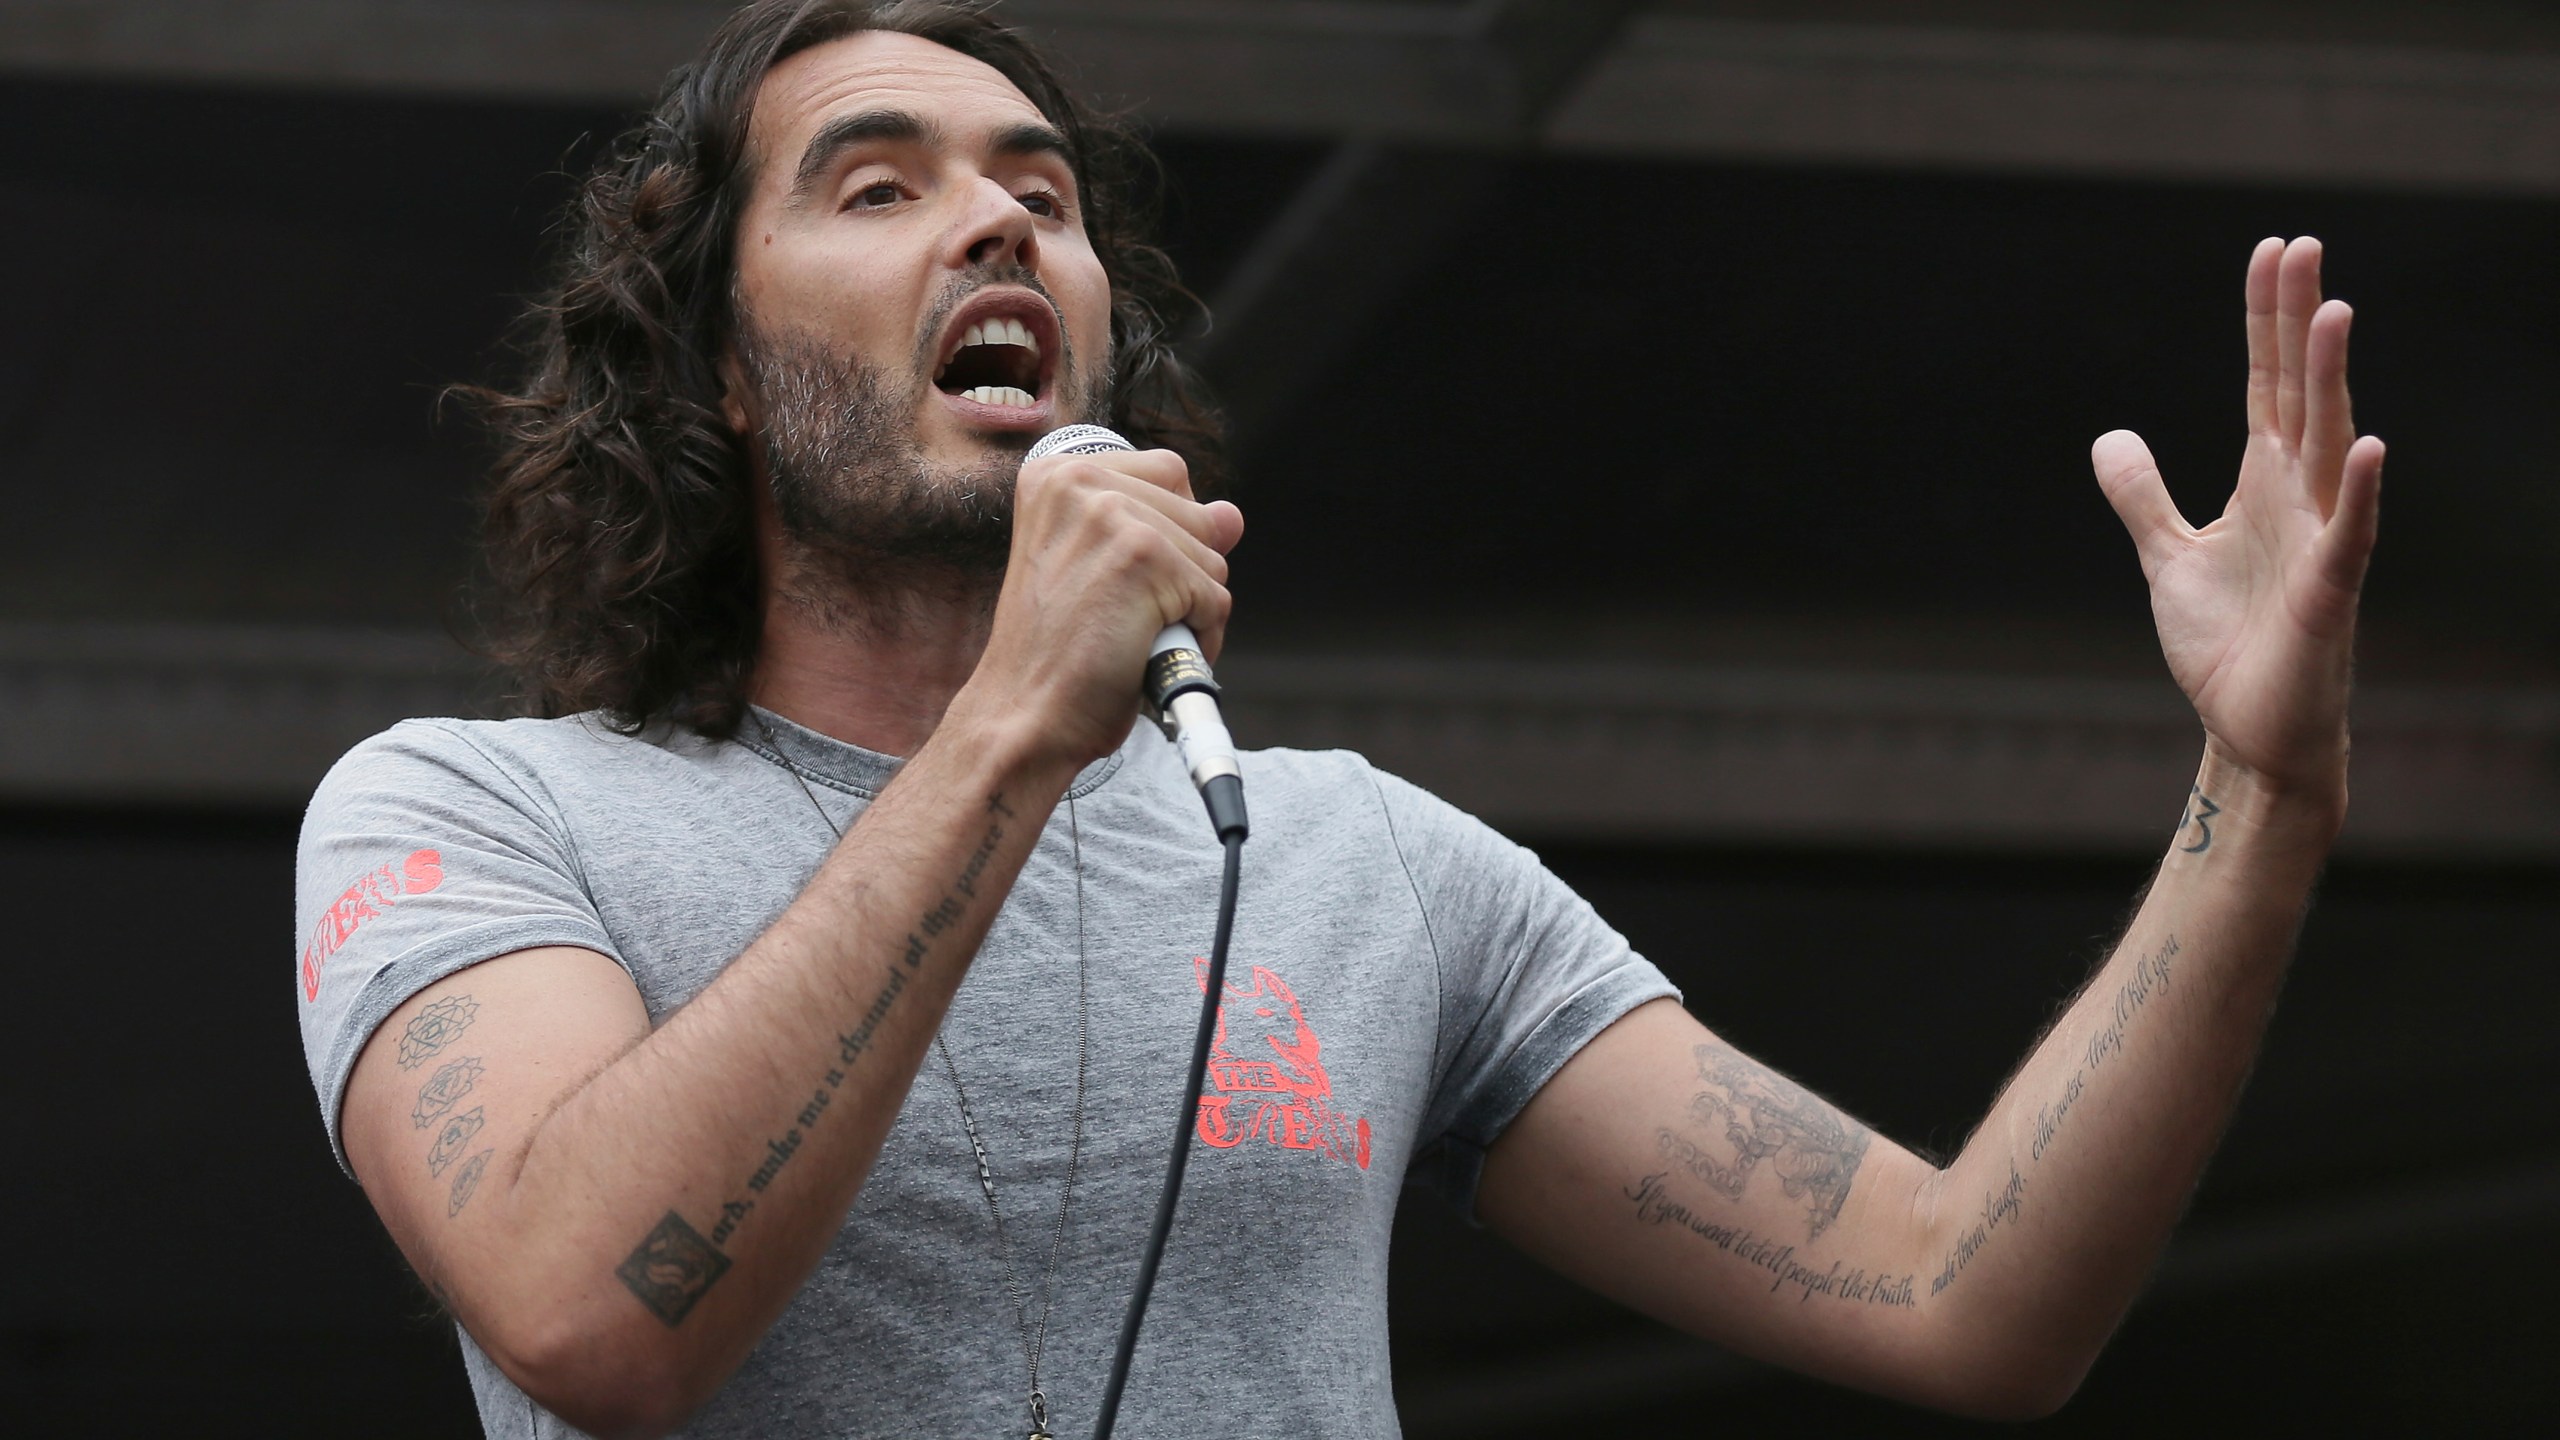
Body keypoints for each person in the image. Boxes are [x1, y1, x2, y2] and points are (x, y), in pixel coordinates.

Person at [290, 2, 2387, 1436]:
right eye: (874, 185)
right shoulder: (472, 819)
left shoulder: (1361, 866)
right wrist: (1015, 725)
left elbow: (1960, 1300)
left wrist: (2261, 790)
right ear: (720, 375)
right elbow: (583, 1312)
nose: (1002, 219)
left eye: (1042, 189)